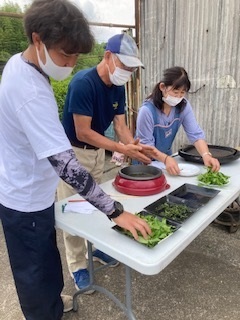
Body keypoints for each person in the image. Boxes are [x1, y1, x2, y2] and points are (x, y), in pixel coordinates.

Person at [0, 2, 151, 320]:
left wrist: (130, 146)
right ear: (38, 40)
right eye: (65, 55)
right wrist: (115, 211)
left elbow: (120, 125)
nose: (70, 63)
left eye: (75, 57)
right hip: (23, 198)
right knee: (34, 272)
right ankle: (45, 313)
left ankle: (53, 305)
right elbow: (66, 164)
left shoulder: (22, 66)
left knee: (45, 262)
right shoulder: (31, 91)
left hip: (33, 188)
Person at [58, 33, 157, 293]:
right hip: (73, 154)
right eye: (125, 66)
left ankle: (99, 248)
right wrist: (119, 147)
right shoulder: (83, 83)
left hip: (97, 154)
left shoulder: (117, 87)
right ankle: (78, 265)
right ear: (108, 57)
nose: (128, 72)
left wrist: (132, 147)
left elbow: (120, 125)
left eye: (132, 68)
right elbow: (83, 132)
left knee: (98, 202)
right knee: (73, 210)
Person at [135, 66, 220, 175]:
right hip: (145, 163)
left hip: (166, 160)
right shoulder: (146, 111)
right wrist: (165, 159)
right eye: (175, 92)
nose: (179, 97)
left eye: (182, 93)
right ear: (162, 87)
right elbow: (146, 147)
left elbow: (195, 134)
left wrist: (206, 155)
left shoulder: (183, 106)